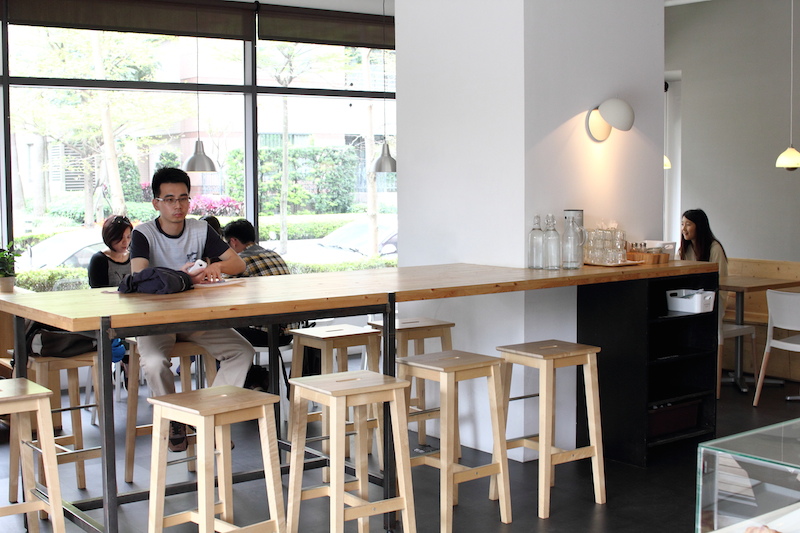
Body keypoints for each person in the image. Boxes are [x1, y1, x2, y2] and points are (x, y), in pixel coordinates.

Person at [130, 167, 254, 452]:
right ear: (156, 203)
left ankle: (208, 416)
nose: (178, 205)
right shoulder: (143, 233)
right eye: (169, 199)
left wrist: (215, 266)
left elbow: (238, 264)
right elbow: (139, 276)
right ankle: (174, 418)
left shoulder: (200, 229)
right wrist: (183, 276)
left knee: (242, 351)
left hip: (195, 318)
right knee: (154, 363)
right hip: (154, 322)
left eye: (183, 198)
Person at [222, 218, 292, 346]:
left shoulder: (240, 262)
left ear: (233, 241)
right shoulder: (274, 255)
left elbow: (222, 293)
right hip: (290, 332)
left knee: (215, 329)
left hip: (264, 334)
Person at [679, 208, 728, 277]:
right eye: (682, 224)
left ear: (699, 227)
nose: (683, 229)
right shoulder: (686, 248)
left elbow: (721, 276)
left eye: (688, 224)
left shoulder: (715, 248)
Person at [88, 214, 133, 288]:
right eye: (120, 238)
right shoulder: (99, 260)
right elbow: (98, 290)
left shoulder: (133, 257)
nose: (125, 242)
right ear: (110, 237)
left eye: (128, 237)